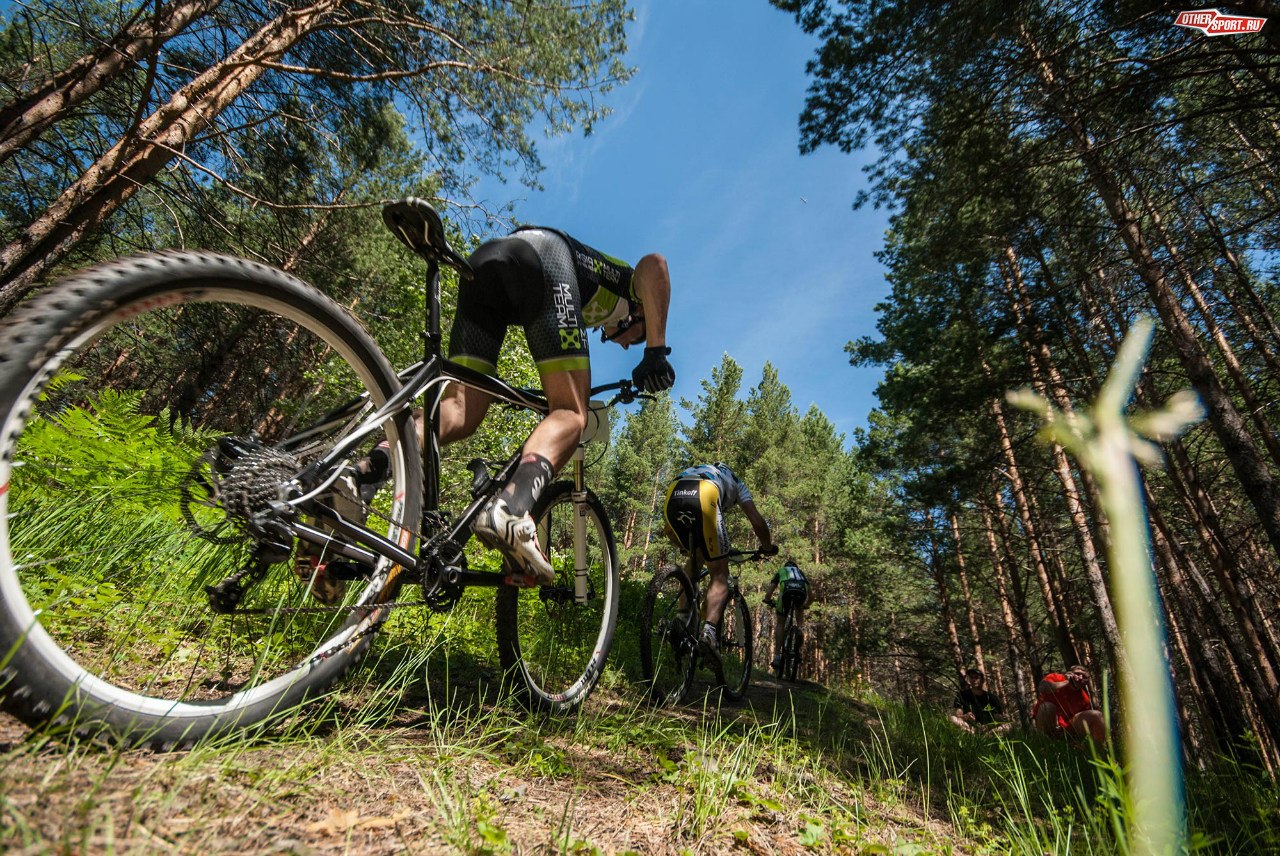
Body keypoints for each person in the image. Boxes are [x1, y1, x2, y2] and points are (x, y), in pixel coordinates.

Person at [331, 226, 671, 594]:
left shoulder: (597, 308)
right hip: (546, 258)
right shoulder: (626, 286)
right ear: (640, 314)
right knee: (572, 413)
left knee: (460, 411)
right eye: (632, 338)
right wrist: (654, 348)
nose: (623, 347)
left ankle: (363, 474)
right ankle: (509, 508)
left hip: (487, 266)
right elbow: (656, 265)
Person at [661, 462, 776, 663]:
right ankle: (709, 635)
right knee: (720, 573)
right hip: (705, 493)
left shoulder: (698, 469)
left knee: (695, 557)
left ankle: (682, 619)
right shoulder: (737, 482)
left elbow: (668, 531)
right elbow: (756, 521)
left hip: (674, 494)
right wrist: (767, 546)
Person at [1033, 665, 1107, 745]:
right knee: (1047, 707)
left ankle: (1099, 750)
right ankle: (1043, 744)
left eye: (1084, 677)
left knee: (1096, 715)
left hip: (1067, 730)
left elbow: (1081, 720)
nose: (1081, 678)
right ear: (1069, 673)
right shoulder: (1055, 677)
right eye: (1077, 674)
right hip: (1047, 724)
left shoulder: (1084, 698)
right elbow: (1042, 687)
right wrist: (1066, 682)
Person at [763, 558, 809, 674]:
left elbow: (769, 592)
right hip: (801, 593)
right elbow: (812, 595)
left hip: (787, 593)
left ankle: (777, 656)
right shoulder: (800, 573)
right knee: (800, 611)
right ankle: (799, 630)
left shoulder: (782, 570)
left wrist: (767, 600)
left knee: (780, 623)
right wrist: (805, 605)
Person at [950, 667, 1010, 734]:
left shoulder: (991, 697)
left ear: (982, 680)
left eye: (976, 677)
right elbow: (958, 715)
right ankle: (975, 735)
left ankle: (987, 736)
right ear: (969, 679)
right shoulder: (962, 695)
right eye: (971, 677)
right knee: (953, 719)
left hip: (989, 727)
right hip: (970, 726)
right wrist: (966, 716)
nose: (974, 680)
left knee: (1007, 726)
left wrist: (992, 724)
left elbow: (998, 717)